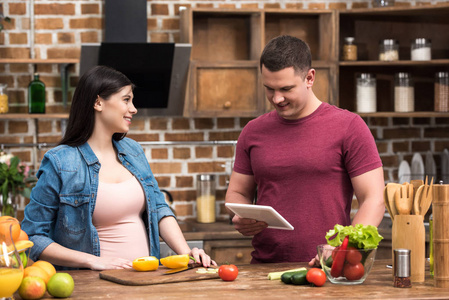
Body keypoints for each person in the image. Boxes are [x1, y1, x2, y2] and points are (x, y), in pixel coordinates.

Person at [21, 66, 215, 270]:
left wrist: (187, 254)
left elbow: (158, 208)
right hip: (93, 286)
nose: (134, 108)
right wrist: (93, 260)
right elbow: (32, 236)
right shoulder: (61, 162)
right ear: (98, 102)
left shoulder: (133, 151)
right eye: (126, 99)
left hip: (147, 282)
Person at [225, 35, 385, 265]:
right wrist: (240, 216)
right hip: (264, 268)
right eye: (269, 89)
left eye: (286, 88)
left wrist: (343, 246)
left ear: (309, 78)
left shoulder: (349, 127)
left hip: (328, 269)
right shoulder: (252, 131)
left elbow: (374, 199)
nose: (276, 98)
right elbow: (237, 193)